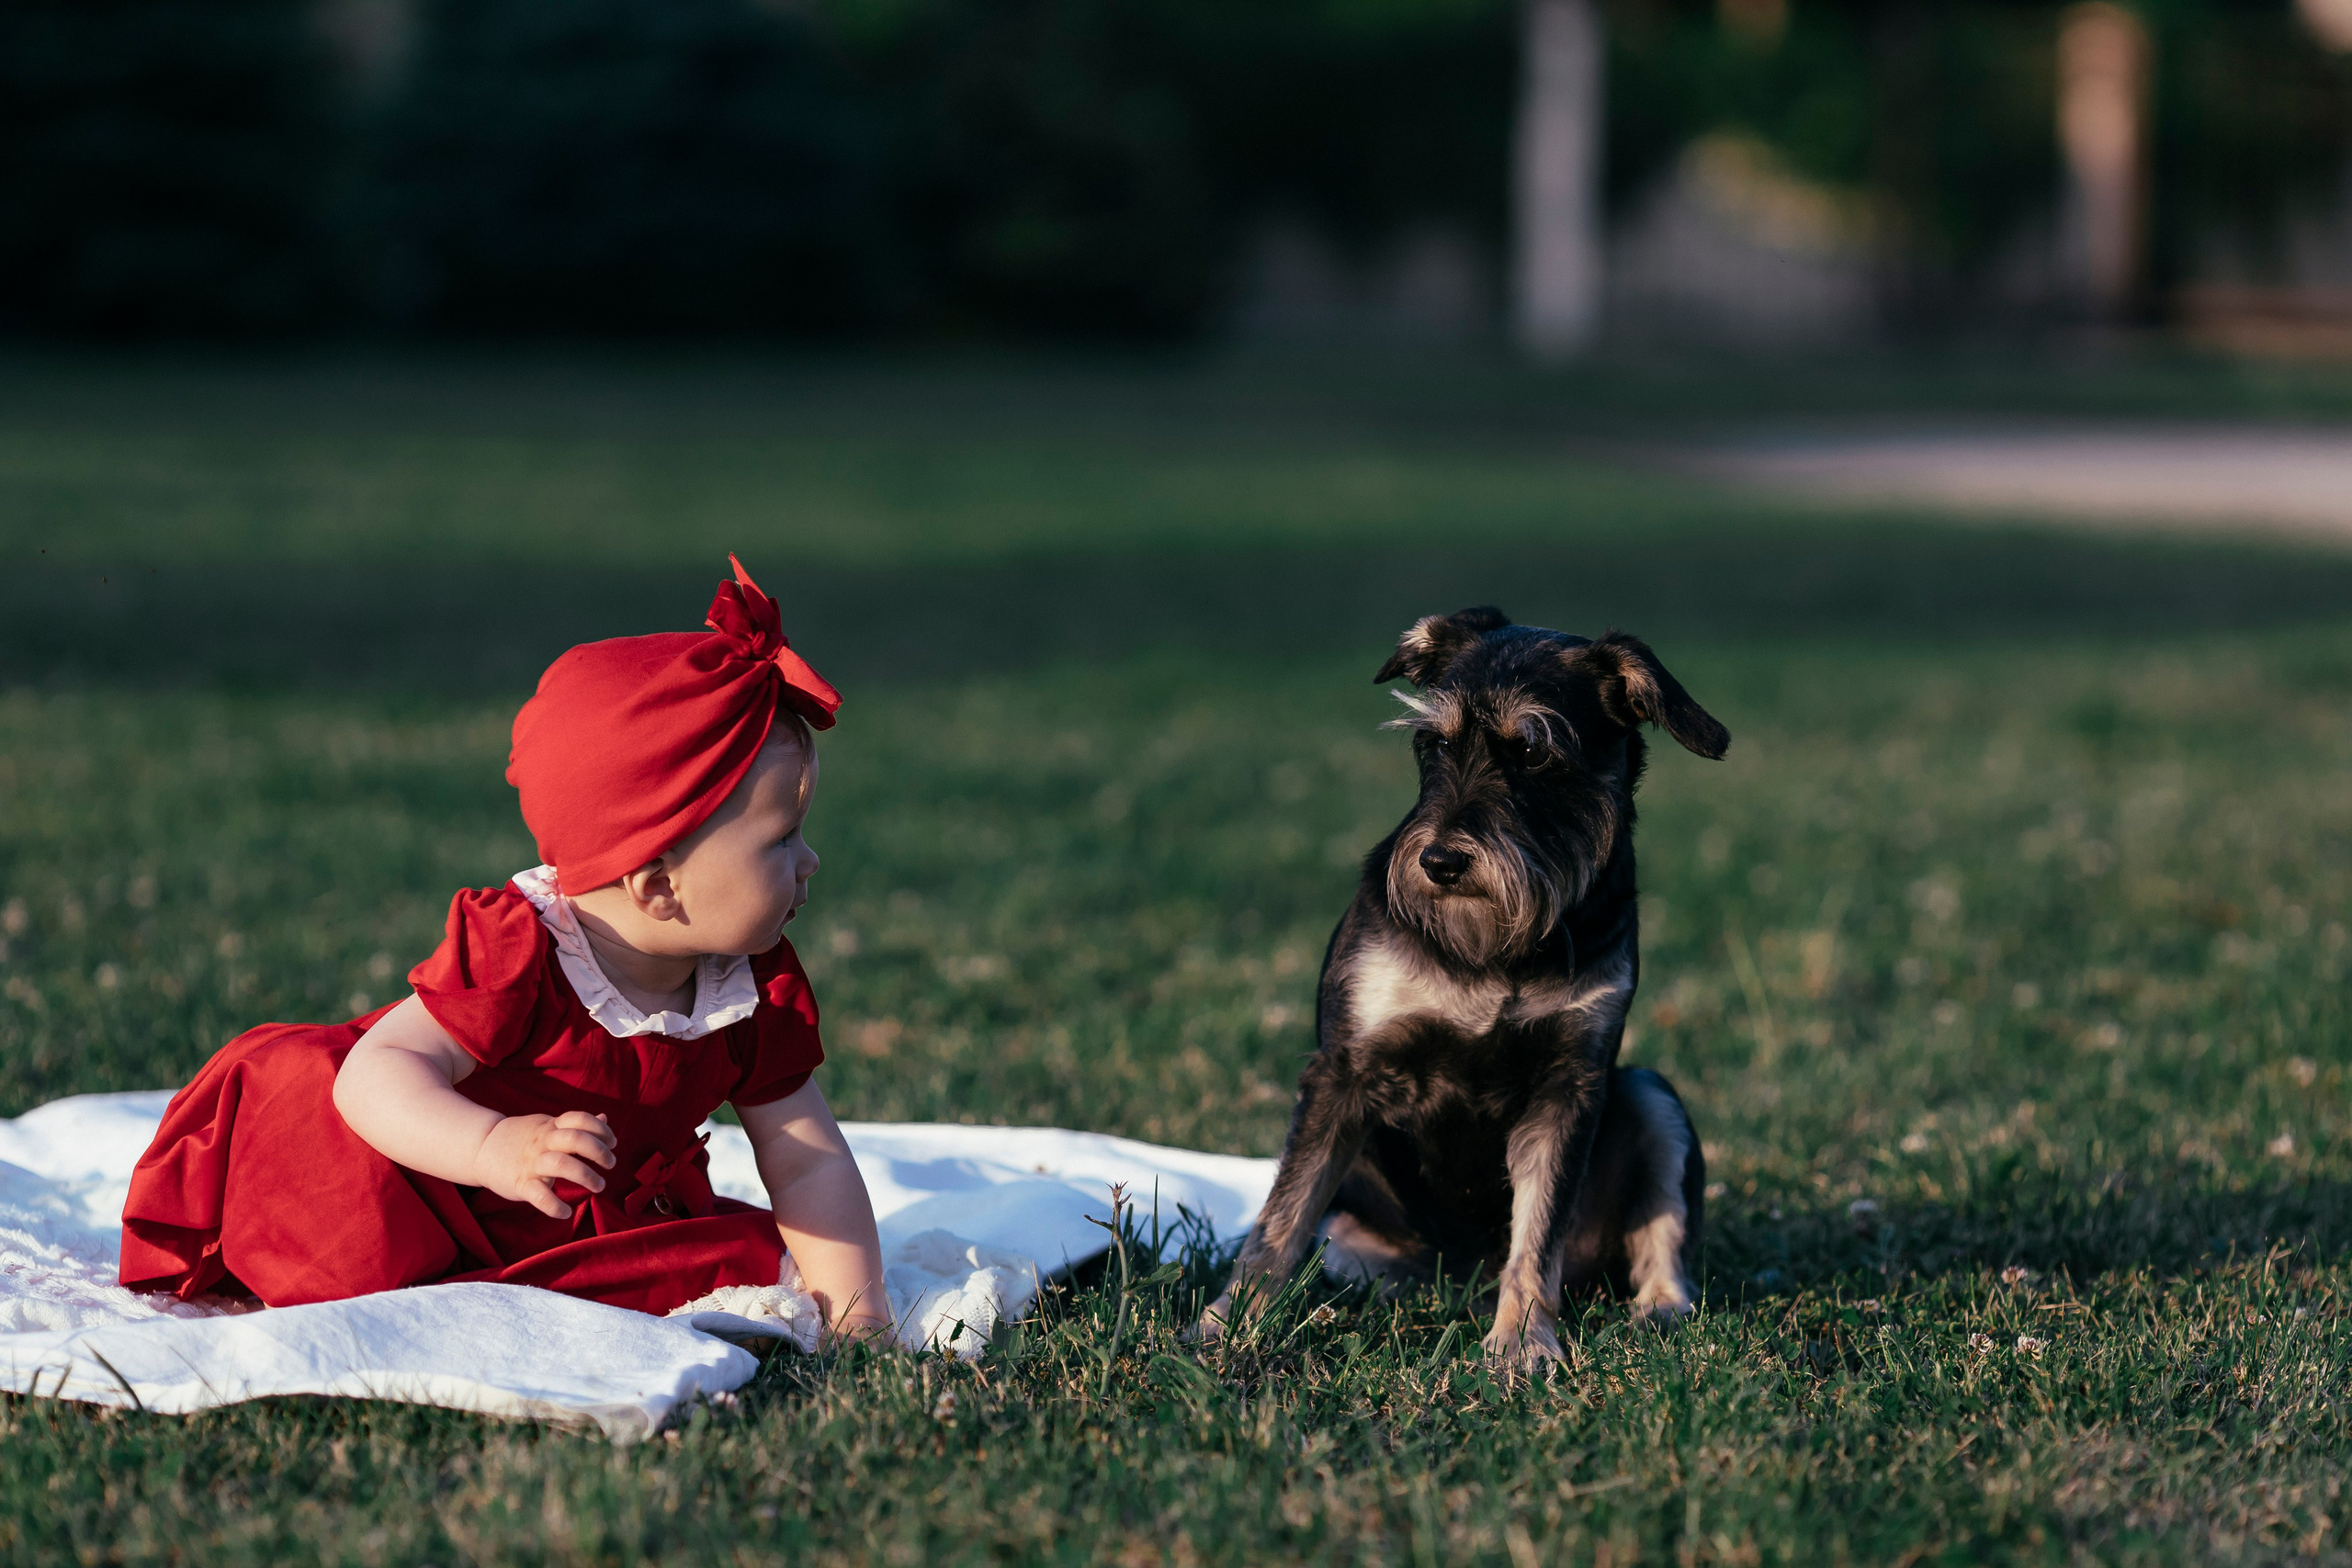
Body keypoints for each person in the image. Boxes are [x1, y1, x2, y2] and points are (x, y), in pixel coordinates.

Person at [119, 558, 893, 1343]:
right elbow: (375, 1075)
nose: (811, 861)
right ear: (658, 887)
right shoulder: (523, 950)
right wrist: (493, 1145)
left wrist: (861, 1318)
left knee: (757, 1253)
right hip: (426, 1175)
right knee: (328, 1157)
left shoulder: (744, 988)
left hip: (572, 1208)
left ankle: (530, 1278)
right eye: (783, 838)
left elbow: (807, 1162)